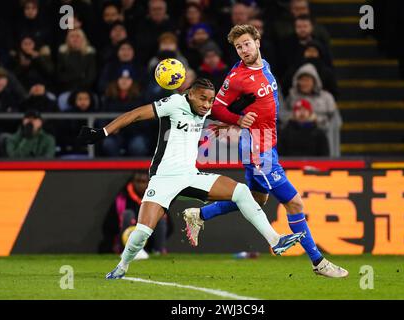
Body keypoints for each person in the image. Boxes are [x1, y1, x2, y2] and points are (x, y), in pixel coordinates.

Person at [77, 78, 304, 279]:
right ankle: (122, 266)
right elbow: (135, 114)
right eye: (203, 99)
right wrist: (102, 132)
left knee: (242, 191)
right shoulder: (175, 103)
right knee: (142, 233)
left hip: (190, 175)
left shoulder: (204, 108)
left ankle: (275, 240)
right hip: (163, 178)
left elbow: (221, 112)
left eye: (210, 100)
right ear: (190, 94)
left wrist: (236, 110)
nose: (207, 105)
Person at [182, 25, 348, 278]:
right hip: (257, 147)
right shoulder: (236, 77)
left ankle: (199, 213)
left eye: (247, 44)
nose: (243, 50)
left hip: (268, 141)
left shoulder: (265, 65)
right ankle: (318, 262)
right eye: (238, 47)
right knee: (294, 203)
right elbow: (216, 108)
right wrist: (237, 120)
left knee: (256, 200)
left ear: (257, 41)